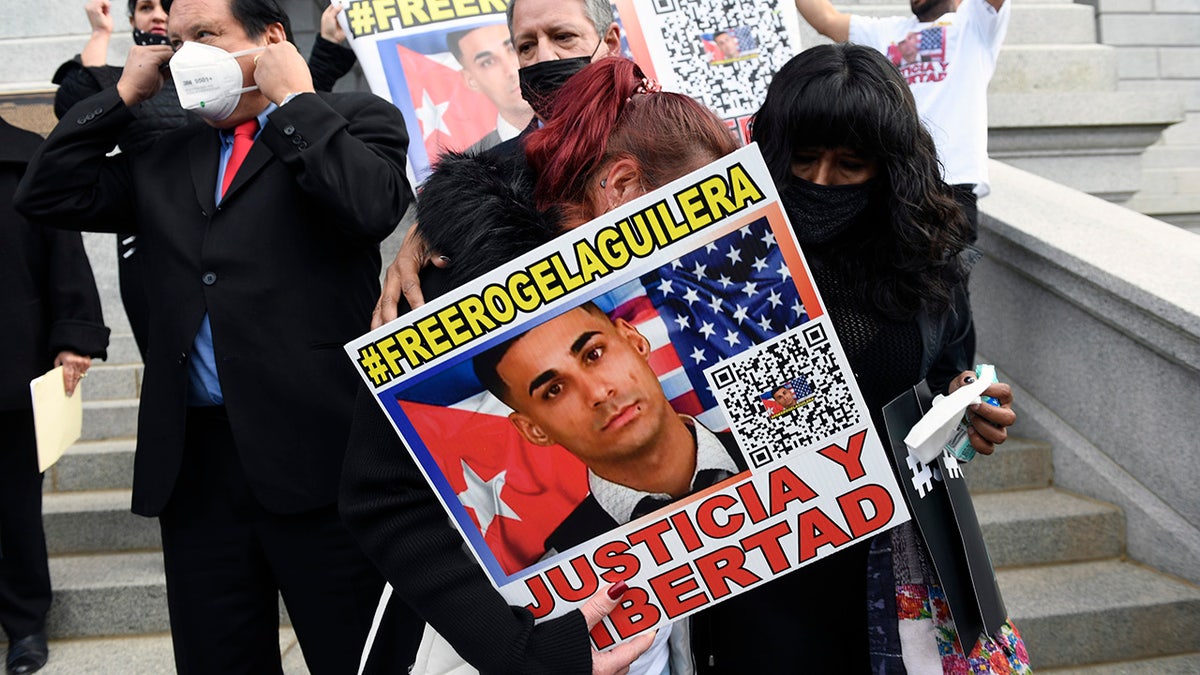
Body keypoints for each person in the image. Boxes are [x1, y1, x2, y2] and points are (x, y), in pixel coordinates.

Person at [15, 0, 420, 671]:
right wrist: (122, 94)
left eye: (206, 35)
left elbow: (370, 205)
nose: (187, 55)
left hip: (321, 458)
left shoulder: (351, 123)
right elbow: (45, 193)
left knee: (360, 656)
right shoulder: (163, 152)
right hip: (198, 468)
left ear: (271, 38)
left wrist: (295, 98)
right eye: (175, 41)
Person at [340, 56, 738, 674]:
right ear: (625, 188)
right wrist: (524, 655)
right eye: (701, 215)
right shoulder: (463, 278)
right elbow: (378, 493)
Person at [737, 43, 1027, 673]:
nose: (819, 181)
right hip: (763, 563)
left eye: (850, 165)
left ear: (889, 167)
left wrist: (970, 412)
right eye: (803, 159)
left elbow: (944, 386)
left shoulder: (931, 262)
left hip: (892, 557)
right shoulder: (729, 261)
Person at [51, 0, 359, 359]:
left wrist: (321, 54)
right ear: (132, 20)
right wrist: (110, 57)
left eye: (203, 34)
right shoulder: (144, 87)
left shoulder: (260, 101)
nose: (158, 15)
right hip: (159, 243)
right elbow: (74, 103)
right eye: (146, 8)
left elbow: (287, 100)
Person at [374, 0, 623, 318]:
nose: (544, 58)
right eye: (527, 46)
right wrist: (435, 225)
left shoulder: (678, 140)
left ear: (611, 43)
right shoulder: (479, 186)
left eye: (563, 37)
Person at [474, 301, 748, 553]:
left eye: (593, 354)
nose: (598, 393)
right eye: (554, 390)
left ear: (634, 340)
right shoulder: (563, 563)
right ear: (535, 430)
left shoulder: (787, 451)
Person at [0, 116, 110, 675]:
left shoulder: (23, 157)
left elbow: (63, 252)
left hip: (11, 363)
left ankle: (24, 624)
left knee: (15, 506)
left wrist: (73, 337)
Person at [794, 0, 1010, 233]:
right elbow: (825, 19)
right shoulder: (886, 32)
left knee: (945, 269)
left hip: (952, 186)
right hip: (895, 185)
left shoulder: (975, 23)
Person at [445, 23, 534, 153]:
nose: (511, 71)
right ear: (471, 80)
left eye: (512, 49)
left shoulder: (574, 128)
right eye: (488, 62)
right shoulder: (469, 165)